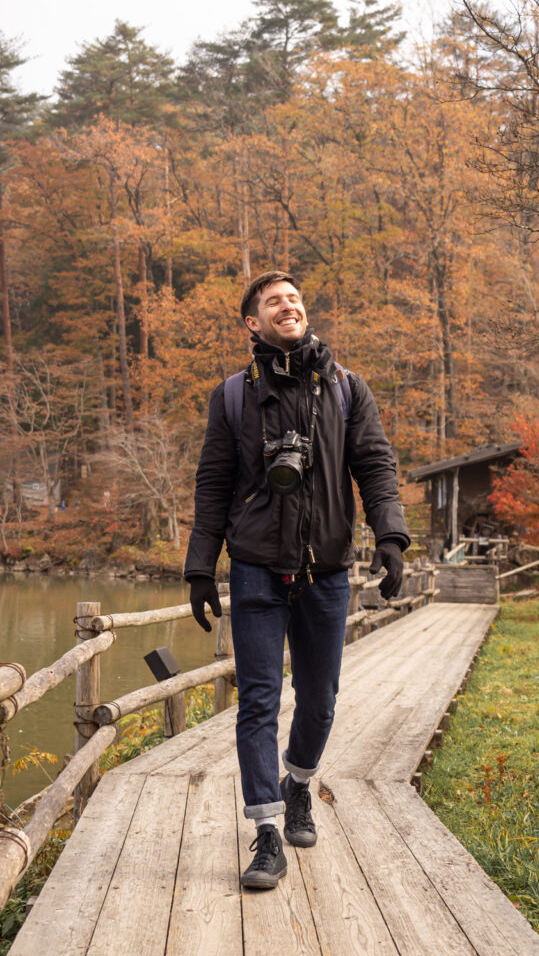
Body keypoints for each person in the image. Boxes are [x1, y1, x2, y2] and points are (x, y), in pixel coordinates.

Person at [184, 271, 410, 889]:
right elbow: (212, 485)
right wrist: (201, 565)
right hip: (256, 568)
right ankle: (265, 834)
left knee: (320, 700)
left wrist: (389, 537)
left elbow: (376, 465)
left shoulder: (345, 388)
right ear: (252, 324)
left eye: (295, 299)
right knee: (257, 702)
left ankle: (298, 785)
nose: (289, 306)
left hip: (328, 570)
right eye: (273, 302)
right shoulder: (233, 396)